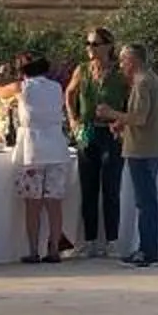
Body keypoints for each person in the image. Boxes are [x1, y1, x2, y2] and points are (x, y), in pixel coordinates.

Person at [66, 30, 129, 258]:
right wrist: (73, 119)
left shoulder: (120, 74)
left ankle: (112, 240)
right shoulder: (82, 70)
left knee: (111, 188)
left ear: (108, 46)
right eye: (88, 43)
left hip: (111, 132)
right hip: (88, 131)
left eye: (95, 44)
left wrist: (123, 119)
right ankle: (89, 241)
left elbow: (133, 100)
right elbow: (70, 93)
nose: (90, 48)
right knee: (88, 188)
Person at [10, 50, 75, 263]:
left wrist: (1, 75)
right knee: (54, 203)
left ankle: (33, 250)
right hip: (56, 146)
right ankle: (55, 249)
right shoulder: (56, 87)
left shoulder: (23, 87)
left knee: (33, 204)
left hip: (32, 149)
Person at [116, 41, 158, 266]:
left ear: (134, 60)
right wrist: (122, 124)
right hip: (153, 146)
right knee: (147, 200)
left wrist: (114, 114)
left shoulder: (142, 83)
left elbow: (139, 118)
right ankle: (148, 249)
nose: (121, 65)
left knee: (145, 201)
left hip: (142, 149)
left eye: (123, 60)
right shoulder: (153, 79)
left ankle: (147, 251)